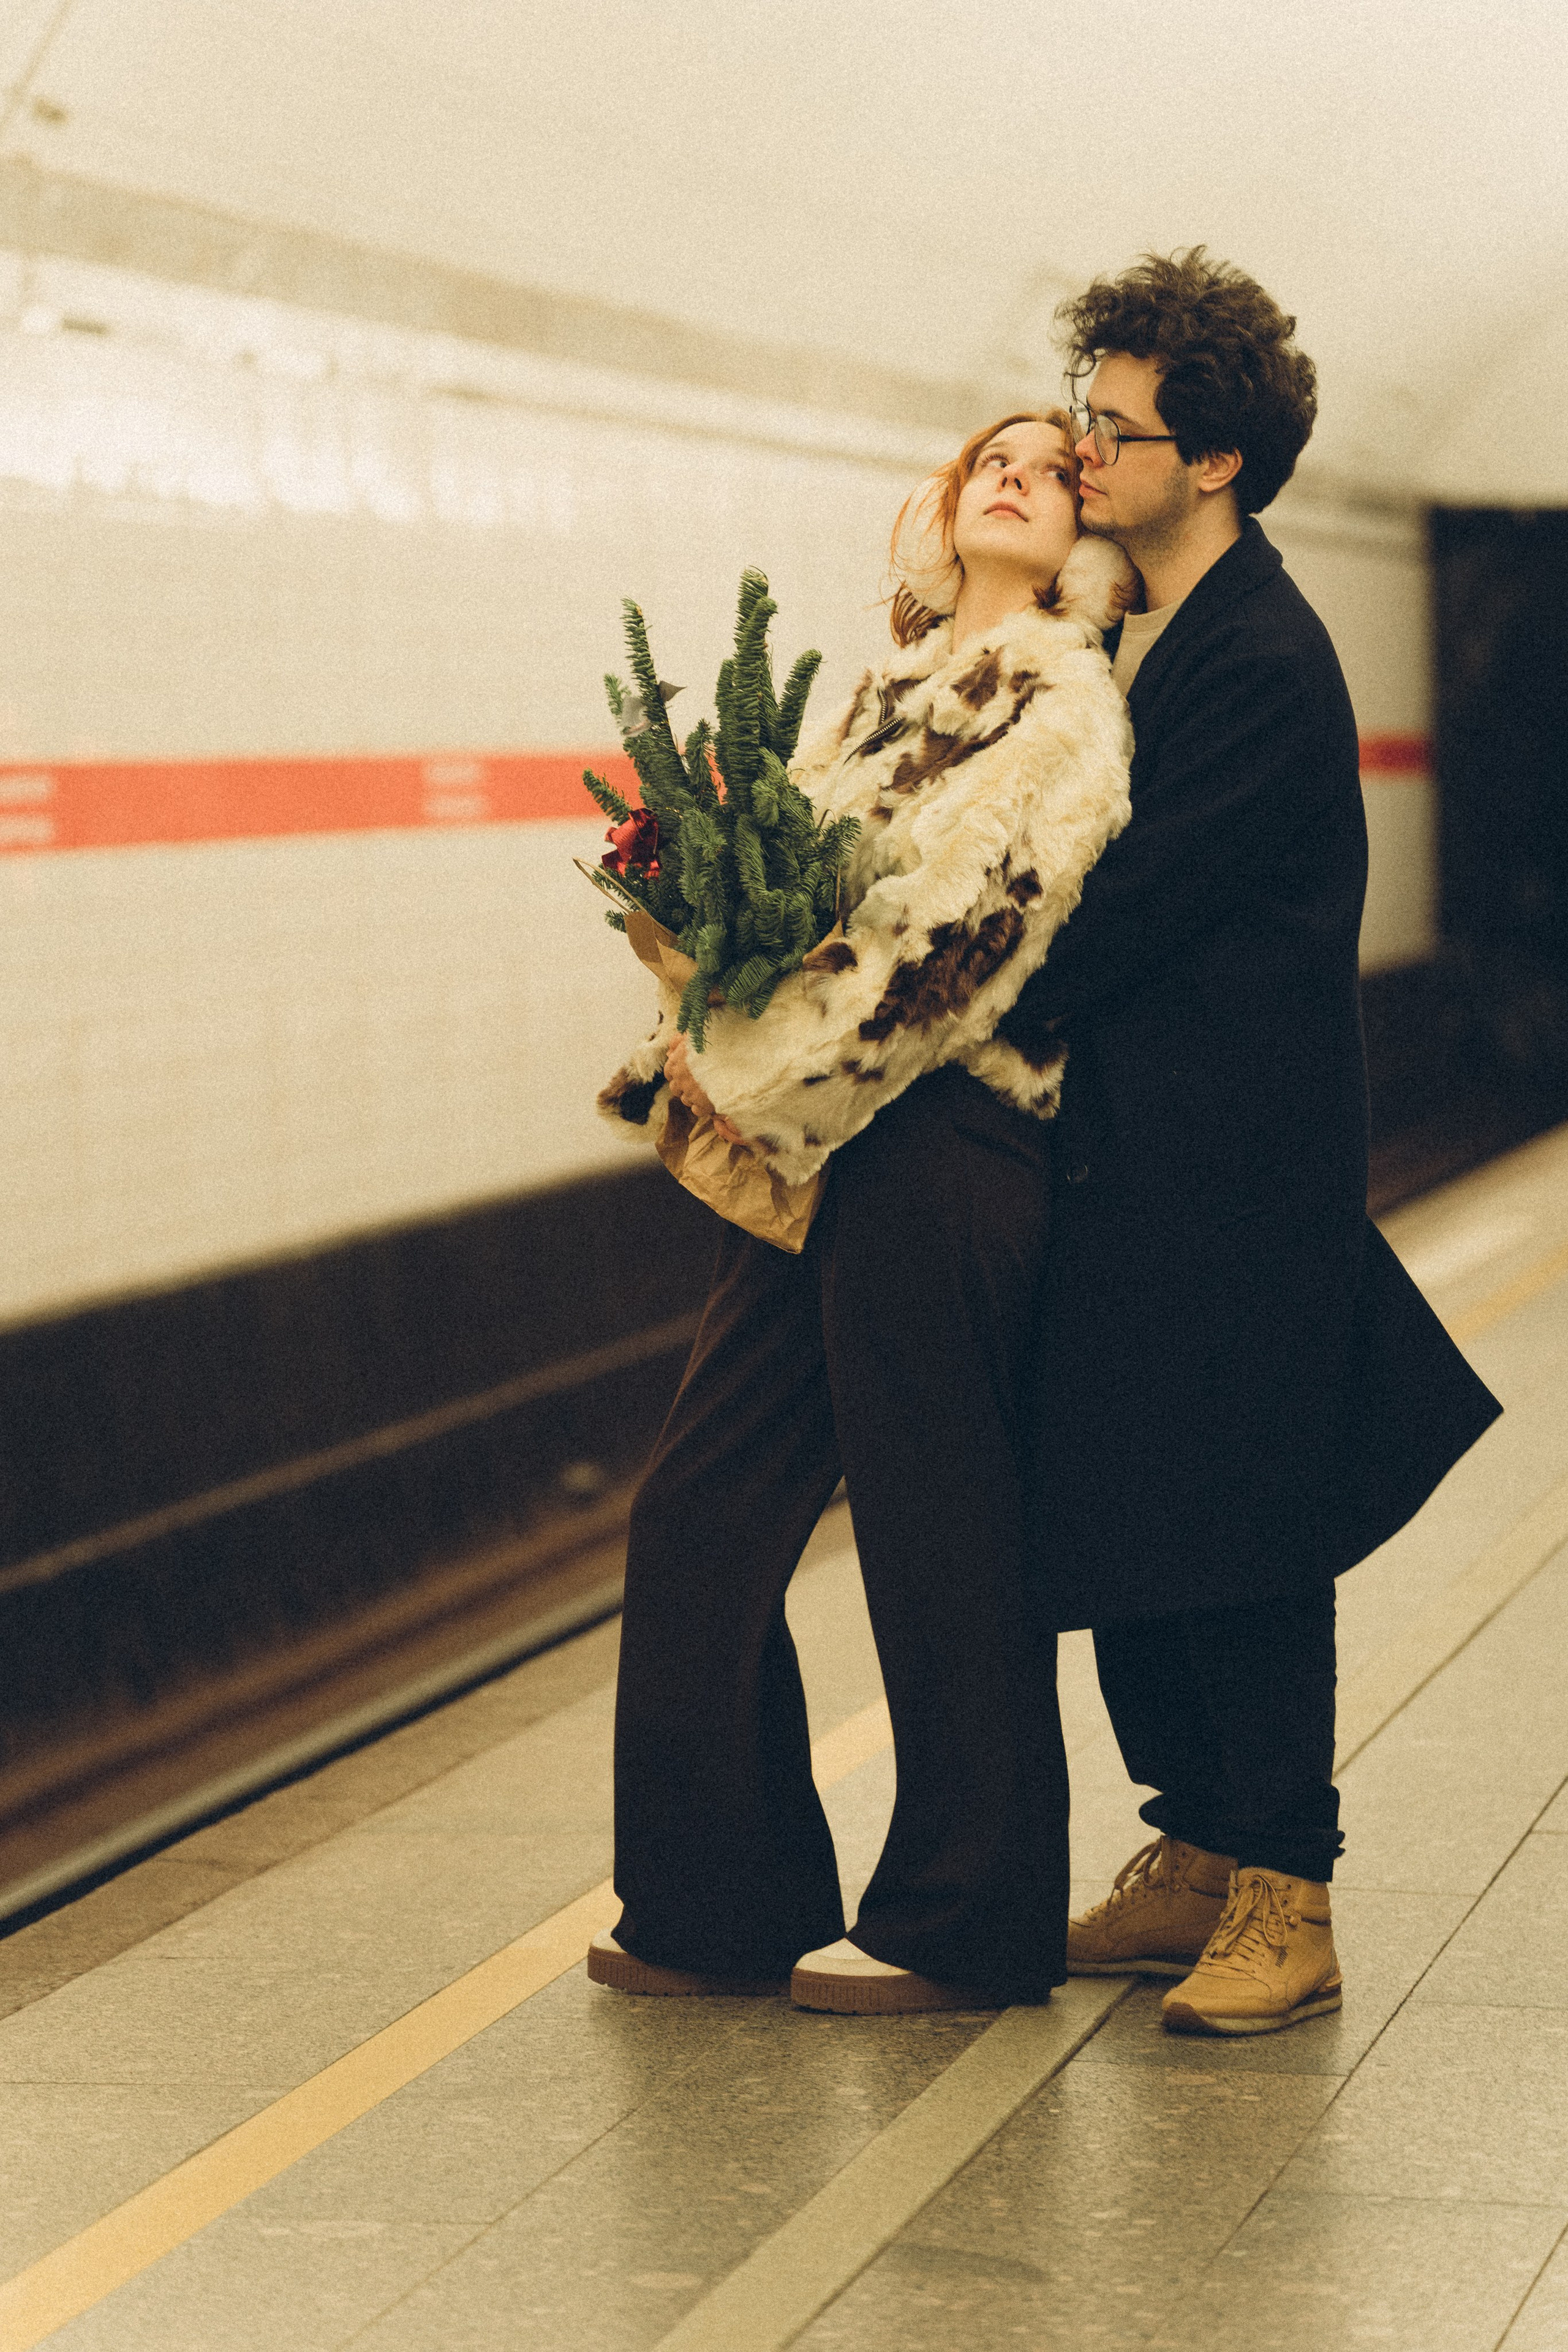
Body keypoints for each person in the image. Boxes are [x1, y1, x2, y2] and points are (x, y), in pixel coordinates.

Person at [996, 251, 1502, 2036]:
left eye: (1111, 429)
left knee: (1243, 1531)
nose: (1083, 452)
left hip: (1234, 1178)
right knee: (1138, 1515)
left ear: (1211, 459)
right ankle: (1195, 1853)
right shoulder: (1154, 631)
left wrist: (943, 975)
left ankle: (1289, 1892)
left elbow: (1124, 912)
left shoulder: (1263, 659)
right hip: (1142, 1166)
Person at [589, 411, 1136, 2013]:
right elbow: (785, 914)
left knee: (937, 1536)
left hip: (945, 1137)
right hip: (826, 1140)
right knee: (698, 1508)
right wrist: (690, 1010)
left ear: (1079, 525)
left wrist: (741, 1082)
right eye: (990, 460)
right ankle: (716, 1898)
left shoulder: (1063, 704)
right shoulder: (879, 696)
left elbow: (948, 954)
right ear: (948, 503)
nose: (1016, 473)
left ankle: (966, 1924)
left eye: (1051, 462)